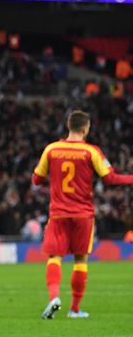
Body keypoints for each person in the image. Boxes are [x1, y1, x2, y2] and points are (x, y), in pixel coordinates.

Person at [33, 110, 133, 319]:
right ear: (85, 128)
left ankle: (53, 297)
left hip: (58, 213)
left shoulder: (51, 149)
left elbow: (36, 180)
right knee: (81, 259)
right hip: (83, 214)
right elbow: (111, 179)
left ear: (69, 126)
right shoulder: (91, 152)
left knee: (55, 257)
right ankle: (75, 310)